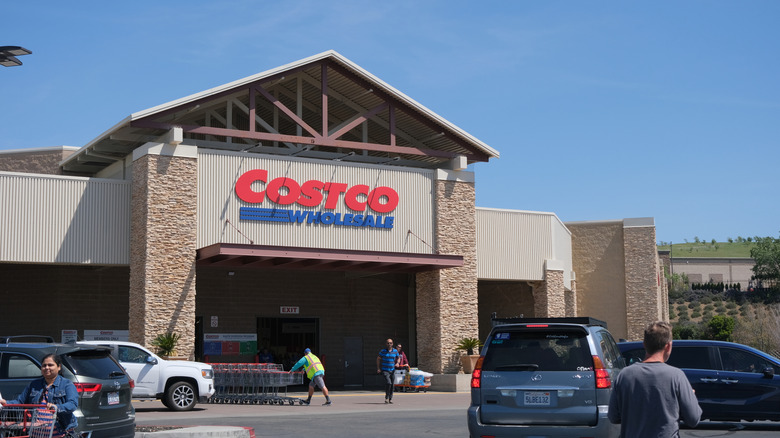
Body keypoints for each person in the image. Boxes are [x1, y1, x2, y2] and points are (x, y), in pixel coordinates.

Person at [608, 321, 702, 438]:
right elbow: (694, 419)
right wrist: (690, 396)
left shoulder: (624, 375)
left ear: (644, 344)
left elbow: (613, 417)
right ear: (668, 346)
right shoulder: (676, 376)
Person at [0, 354, 79, 437]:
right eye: (44, 365)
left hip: (60, 433)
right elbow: (20, 402)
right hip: (36, 434)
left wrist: (56, 407)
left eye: (50, 365)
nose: (47, 368)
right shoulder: (34, 384)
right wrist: (5, 403)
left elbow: (72, 404)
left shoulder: (67, 384)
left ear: (59, 367)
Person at [377, 338, 399, 404]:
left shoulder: (395, 351)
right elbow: (378, 359)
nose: (389, 344)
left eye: (391, 343)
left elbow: (398, 358)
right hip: (385, 370)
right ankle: (386, 397)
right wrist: (378, 368)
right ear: (386, 344)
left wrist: (397, 363)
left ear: (392, 344)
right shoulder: (383, 351)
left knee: (392, 385)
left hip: (392, 370)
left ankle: (390, 398)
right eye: (388, 343)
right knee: (388, 383)